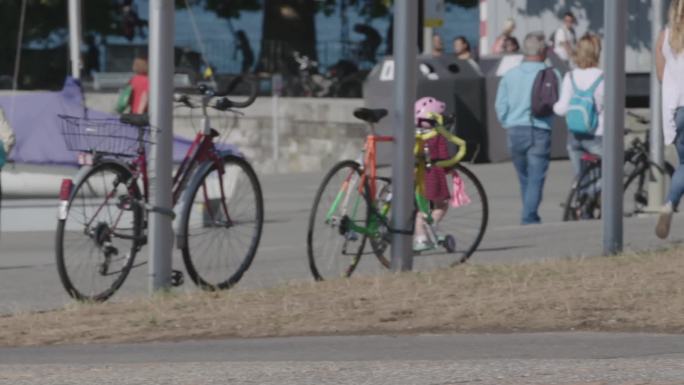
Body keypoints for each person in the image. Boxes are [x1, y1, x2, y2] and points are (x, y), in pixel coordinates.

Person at [495, 32, 557, 225]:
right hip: (540, 128)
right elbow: (559, 100)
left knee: (524, 176)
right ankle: (529, 216)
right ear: (543, 50)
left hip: (514, 129)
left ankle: (530, 212)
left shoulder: (510, 75)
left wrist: (507, 122)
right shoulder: (551, 73)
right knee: (536, 177)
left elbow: (500, 105)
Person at [553, 33, 604, 177]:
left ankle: (582, 196)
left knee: (581, 178)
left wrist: (553, 106)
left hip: (574, 135)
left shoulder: (570, 76)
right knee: (611, 176)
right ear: (596, 52)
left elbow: (562, 109)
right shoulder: (603, 77)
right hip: (597, 134)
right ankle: (593, 194)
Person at [655, 0, 684, 239]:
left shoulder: (664, 37)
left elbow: (661, 74)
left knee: (683, 165)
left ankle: (668, 205)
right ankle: (669, 202)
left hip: (677, 111)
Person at [413, 97, 450, 251]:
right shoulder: (437, 135)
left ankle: (420, 239)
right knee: (442, 204)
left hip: (416, 175)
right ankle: (432, 225)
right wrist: (450, 168)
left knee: (421, 209)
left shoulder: (414, 134)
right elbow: (443, 157)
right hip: (433, 175)